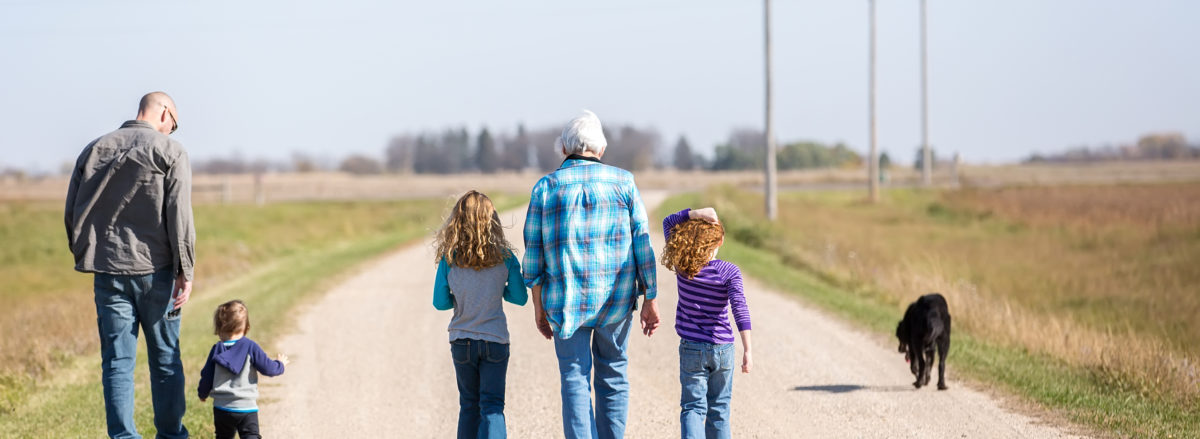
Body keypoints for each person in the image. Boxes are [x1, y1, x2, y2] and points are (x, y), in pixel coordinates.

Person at [522, 110, 659, 439]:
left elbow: (534, 256)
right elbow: (643, 244)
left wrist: (538, 308)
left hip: (565, 302)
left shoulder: (545, 187)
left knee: (574, 378)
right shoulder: (623, 182)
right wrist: (650, 297)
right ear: (600, 150)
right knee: (613, 376)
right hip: (617, 300)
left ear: (564, 149)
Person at [65, 91, 194, 439]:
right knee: (165, 359)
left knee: (118, 363)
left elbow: (72, 209)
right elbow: (179, 217)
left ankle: (123, 436)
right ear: (164, 112)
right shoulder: (171, 151)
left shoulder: (94, 148)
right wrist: (187, 270)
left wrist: (85, 252)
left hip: (108, 272)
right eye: (175, 124)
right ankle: (170, 435)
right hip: (158, 273)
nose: (172, 130)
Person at [432, 190, 528, 439]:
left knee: (468, 406)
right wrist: (498, 292)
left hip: (462, 341)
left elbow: (440, 303)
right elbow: (520, 297)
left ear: (457, 221)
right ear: (492, 221)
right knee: (493, 407)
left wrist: (462, 297)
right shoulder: (505, 257)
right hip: (495, 341)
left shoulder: (449, 258)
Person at [660, 207, 753, 439]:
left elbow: (668, 221)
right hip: (723, 350)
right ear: (721, 240)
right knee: (719, 410)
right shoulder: (729, 271)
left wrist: (695, 213)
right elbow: (739, 308)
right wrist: (748, 349)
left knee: (692, 407)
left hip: (692, 347)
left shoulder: (683, 265)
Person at [197, 300, 288, 439]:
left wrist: (202, 393)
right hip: (246, 408)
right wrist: (280, 364)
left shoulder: (216, 350)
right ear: (247, 327)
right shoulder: (251, 347)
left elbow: (207, 376)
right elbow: (268, 368)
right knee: (250, 436)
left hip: (222, 408)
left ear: (219, 328)